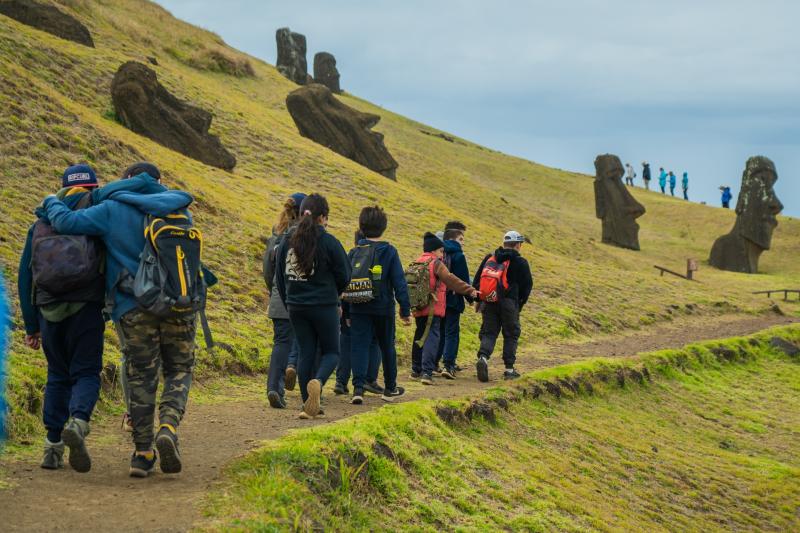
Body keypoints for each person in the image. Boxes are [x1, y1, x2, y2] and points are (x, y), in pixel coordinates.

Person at [43, 163, 200, 478]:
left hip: (133, 306)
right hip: (180, 305)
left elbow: (66, 222)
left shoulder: (112, 208)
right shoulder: (178, 207)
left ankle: (143, 453)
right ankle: (168, 427)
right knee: (179, 370)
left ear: (126, 180)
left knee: (141, 376)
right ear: (159, 181)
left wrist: (50, 200)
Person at [18, 164, 105, 473]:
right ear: (93, 188)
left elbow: (25, 276)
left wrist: (31, 325)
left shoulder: (41, 222)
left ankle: (52, 446)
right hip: (87, 307)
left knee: (57, 374)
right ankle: (78, 422)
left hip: (48, 310)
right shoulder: (95, 216)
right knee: (86, 372)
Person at [276, 194, 350, 419]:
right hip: (324, 305)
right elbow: (345, 274)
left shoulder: (287, 240)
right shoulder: (329, 241)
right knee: (332, 351)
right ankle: (318, 382)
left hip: (296, 305)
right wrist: (334, 293)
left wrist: (290, 300)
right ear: (323, 217)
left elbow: (280, 277)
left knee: (305, 352)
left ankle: (307, 405)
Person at [345, 206, 411, 404]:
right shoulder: (389, 251)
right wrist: (405, 309)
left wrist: (347, 312)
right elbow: (399, 282)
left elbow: (345, 283)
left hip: (357, 306)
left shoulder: (354, 252)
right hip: (383, 307)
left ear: (361, 227)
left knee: (359, 346)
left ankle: (358, 389)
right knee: (387, 346)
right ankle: (390, 388)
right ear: (383, 227)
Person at [410, 233, 478, 385]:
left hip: (418, 306)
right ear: (434, 250)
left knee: (419, 335)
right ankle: (427, 373)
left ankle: (415, 370)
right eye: (441, 251)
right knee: (432, 338)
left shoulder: (416, 261)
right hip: (433, 307)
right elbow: (451, 280)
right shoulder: (436, 264)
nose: (442, 254)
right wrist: (469, 290)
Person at [264, 193, 306, 409]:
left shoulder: (276, 235)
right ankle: (307, 386)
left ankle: (274, 387)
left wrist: (275, 290)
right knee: (305, 340)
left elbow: (268, 271)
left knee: (281, 342)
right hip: (303, 297)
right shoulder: (307, 236)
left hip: (279, 297)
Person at [473, 231, 533, 382]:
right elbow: (527, 286)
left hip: (490, 301)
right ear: (518, 245)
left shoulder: (490, 258)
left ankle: (483, 358)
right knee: (511, 334)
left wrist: (479, 300)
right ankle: (509, 369)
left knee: (489, 333)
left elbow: (477, 281)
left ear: (504, 243)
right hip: (509, 303)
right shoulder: (520, 262)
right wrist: (519, 304)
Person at [336, 229, 383, 396]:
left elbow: (344, 281)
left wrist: (345, 311)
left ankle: (341, 381)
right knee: (372, 343)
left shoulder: (351, 254)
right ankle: (368, 380)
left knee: (347, 341)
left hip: (349, 305)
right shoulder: (378, 253)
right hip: (372, 308)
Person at [438, 227, 473, 379]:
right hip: (453, 299)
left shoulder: (439, 253)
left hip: (438, 299)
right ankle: (448, 365)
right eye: (461, 239)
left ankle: (433, 363)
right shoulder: (459, 255)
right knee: (452, 332)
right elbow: (463, 279)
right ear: (453, 239)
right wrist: (471, 298)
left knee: (439, 332)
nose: (463, 242)